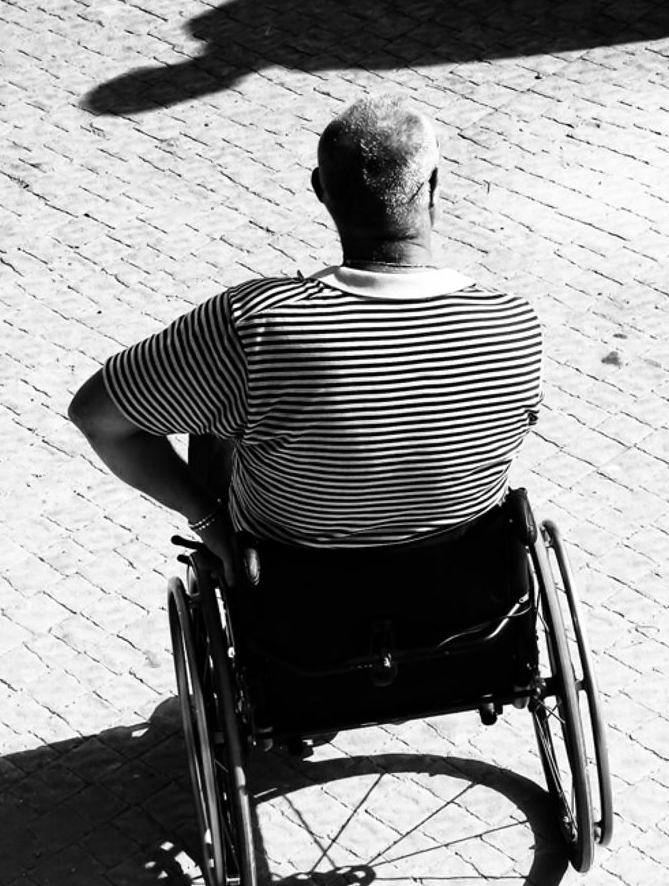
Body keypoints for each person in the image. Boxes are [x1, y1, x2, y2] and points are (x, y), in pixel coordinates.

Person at [68, 95, 543, 586]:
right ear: (435, 185)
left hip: (295, 600)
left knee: (215, 397)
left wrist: (208, 521)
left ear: (320, 189)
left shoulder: (253, 323)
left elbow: (96, 416)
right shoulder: (515, 323)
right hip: (464, 595)